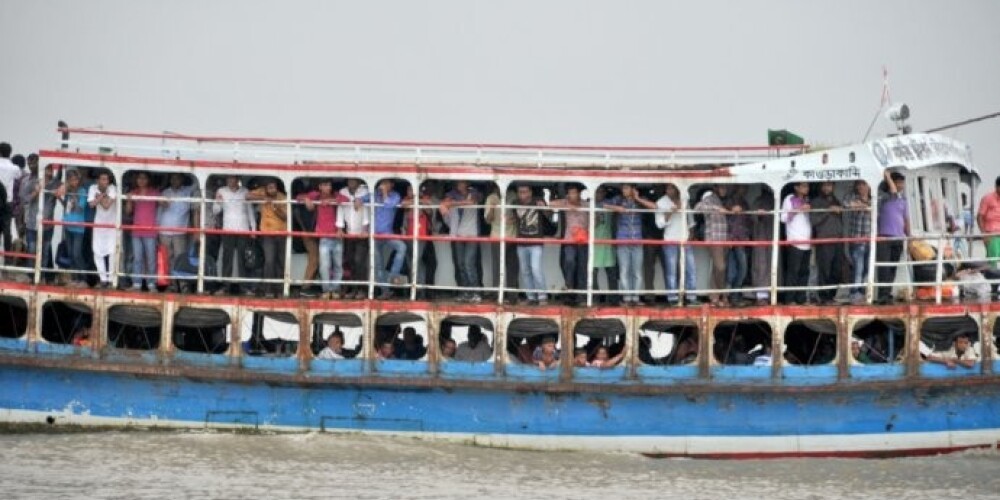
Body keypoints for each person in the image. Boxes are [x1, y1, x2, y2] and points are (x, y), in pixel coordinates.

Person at [603, 183, 657, 305]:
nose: (623, 190)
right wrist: (617, 208)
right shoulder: (618, 199)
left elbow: (654, 207)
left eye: (626, 188)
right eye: (623, 188)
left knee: (637, 272)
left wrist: (638, 198)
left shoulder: (640, 199)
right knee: (624, 271)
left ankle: (636, 298)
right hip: (622, 240)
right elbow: (603, 204)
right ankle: (627, 298)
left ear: (633, 189)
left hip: (637, 240)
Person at [299, 179, 348, 299]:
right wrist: (307, 199)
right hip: (324, 237)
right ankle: (327, 290)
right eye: (325, 185)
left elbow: (345, 200)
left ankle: (335, 290)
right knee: (324, 266)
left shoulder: (336, 195)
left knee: (337, 265)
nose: (328, 187)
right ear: (320, 187)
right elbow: (299, 197)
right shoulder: (316, 196)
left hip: (337, 236)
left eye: (329, 185)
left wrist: (331, 201)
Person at [440, 180, 483, 303]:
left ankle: (476, 292)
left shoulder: (473, 192)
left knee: (469, 264)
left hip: (472, 234)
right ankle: (465, 292)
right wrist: (447, 204)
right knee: (461, 265)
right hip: (458, 234)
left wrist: (452, 204)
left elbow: (473, 200)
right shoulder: (452, 193)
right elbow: (444, 203)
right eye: (458, 182)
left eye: (462, 182)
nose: (460, 184)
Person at [213, 175, 256, 295]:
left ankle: (244, 287)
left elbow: (250, 211)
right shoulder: (221, 191)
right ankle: (225, 287)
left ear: (238, 180)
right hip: (228, 229)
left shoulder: (245, 191)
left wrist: (253, 229)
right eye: (228, 178)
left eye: (233, 178)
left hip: (243, 229)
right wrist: (218, 201)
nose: (230, 180)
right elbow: (215, 211)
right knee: (227, 258)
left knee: (243, 259)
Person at [656, 183, 696, 306]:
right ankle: (672, 298)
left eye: (672, 188)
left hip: (685, 239)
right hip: (670, 240)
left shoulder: (684, 199)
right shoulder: (661, 202)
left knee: (691, 269)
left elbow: (690, 219)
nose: (670, 190)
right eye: (668, 188)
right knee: (671, 271)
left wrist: (691, 234)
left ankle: (692, 297)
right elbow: (659, 224)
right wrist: (670, 212)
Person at [158, 173, 200, 291]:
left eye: (177, 178)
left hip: (179, 232)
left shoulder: (187, 191)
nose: (175, 180)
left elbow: (197, 182)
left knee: (180, 259)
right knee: (168, 259)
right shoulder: (165, 192)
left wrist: (189, 170)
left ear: (182, 179)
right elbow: (160, 211)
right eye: (173, 178)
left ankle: (183, 284)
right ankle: (172, 285)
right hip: (164, 231)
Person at [694, 185, 734, 307]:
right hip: (713, 238)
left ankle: (714, 297)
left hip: (724, 239)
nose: (724, 190)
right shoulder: (710, 198)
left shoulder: (726, 200)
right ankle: (723, 295)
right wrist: (716, 208)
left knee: (718, 269)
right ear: (716, 188)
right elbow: (697, 208)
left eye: (725, 188)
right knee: (720, 267)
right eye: (722, 188)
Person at [549, 184, 589, 306]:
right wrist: (568, 204)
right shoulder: (565, 203)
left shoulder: (585, 204)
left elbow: (594, 216)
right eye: (570, 193)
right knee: (569, 261)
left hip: (583, 239)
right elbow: (551, 204)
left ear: (579, 194)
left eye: (574, 192)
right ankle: (569, 286)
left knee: (582, 268)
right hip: (569, 239)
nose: (572, 195)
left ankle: (581, 296)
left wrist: (577, 208)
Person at [247, 179, 288, 297]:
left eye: (274, 187)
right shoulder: (262, 192)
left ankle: (280, 290)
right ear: (266, 188)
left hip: (281, 233)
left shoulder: (282, 197)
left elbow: (285, 217)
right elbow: (247, 196)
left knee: (281, 262)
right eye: (269, 188)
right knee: (269, 261)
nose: (272, 190)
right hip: (267, 234)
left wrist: (275, 207)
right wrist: (262, 199)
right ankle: (268, 290)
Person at [512, 185, 551, 305]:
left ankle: (542, 296)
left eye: (525, 191)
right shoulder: (515, 203)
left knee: (535, 269)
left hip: (536, 242)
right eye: (520, 192)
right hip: (521, 242)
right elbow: (515, 219)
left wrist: (544, 208)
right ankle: (531, 297)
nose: (523, 194)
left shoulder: (538, 201)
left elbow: (549, 216)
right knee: (525, 271)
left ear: (530, 192)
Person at [876, 171, 910, 304]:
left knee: (892, 267)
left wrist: (909, 235)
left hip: (898, 237)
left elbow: (906, 219)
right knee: (884, 267)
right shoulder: (885, 197)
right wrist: (888, 177)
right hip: (884, 236)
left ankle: (887, 292)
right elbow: (893, 192)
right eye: (899, 183)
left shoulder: (904, 200)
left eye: (902, 182)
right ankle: (882, 294)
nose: (901, 185)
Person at [368, 179, 406, 299]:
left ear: (392, 185)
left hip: (387, 233)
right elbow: (361, 199)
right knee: (378, 265)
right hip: (374, 234)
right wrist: (358, 200)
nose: (383, 186)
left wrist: (384, 193)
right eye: (382, 183)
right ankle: (385, 291)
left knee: (402, 247)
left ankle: (392, 275)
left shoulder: (395, 195)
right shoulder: (374, 195)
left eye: (386, 183)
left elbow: (388, 204)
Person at [124, 172, 160, 291]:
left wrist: (164, 199)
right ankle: (137, 284)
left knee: (151, 259)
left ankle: (151, 284)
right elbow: (128, 211)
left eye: (144, 178)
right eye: (139, 178)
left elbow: (165, 204)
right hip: (137, 230)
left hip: (150, 230)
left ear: (148, 180)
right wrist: (129, 200)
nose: (141, 180)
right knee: (137, 258)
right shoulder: (134, 192)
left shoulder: (154, 192)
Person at [809, 181, 844, 304]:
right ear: (820, 186)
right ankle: (823, 297)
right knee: (824, 269)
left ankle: (831, 295)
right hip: (824, 239)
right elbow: (814, 221)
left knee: (837, 269)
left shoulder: (837, 200)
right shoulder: (815, 202)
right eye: (824, 185)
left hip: (839, 239)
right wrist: (828, 210)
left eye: (829, 185)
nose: (827, 188)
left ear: (834, 186)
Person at [402, 184, 436, 299]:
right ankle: (414, 287)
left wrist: (419, 200)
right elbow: (404, 205)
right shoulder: (407, 200)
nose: (409, 191)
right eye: (409, 189)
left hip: (421, 236)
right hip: (408, 236)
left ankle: (419, 289)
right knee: (409, 262)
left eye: (411, 189)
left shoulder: (424, 199)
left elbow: (429, 209)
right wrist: (415, 200)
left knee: (417, 262)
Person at [485, 186, 519, 303]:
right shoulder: (491, 198)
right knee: (496, 267)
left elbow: (519, 215)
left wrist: (513, 220)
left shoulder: (513, 196)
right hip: (496, 236)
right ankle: (496, 294)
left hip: (512, 236)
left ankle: (512, 296)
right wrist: (493, 208)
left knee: (512, 267)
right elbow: (488, 220)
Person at [780, 182, 812, 305]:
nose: (806, 188)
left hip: (807, 241)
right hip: (794, 240)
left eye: (807, 186)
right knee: (793, 271)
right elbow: (782, 218)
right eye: (804, 186)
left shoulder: (807, 200)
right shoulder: (789, 198)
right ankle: (790, 299)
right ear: (796, 187)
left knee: (804, 271)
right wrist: (798, 209)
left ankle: (801, 298)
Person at [842, 180, 872, 303]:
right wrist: (861, 205)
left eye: (864, 184)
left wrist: (864, 205)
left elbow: (875, 209)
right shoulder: (852, 196)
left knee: (866, 268)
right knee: (858, 267)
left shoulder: (874, 197)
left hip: (870, 239)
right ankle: (855, 293)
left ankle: (860, 290)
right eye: (859, 184)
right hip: (857, 238)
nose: (861, 187)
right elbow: (846, 203)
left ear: (869, 186)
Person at [87, 172, 118, 288]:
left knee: (112, 252)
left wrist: (99, 197)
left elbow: (106, 205)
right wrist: (102, 197)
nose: (105, 182)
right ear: (98, 180)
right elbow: (91, 205)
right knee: (97, 251)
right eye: (102, 179)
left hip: (111, 225)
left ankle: (111, 279)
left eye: (106, 179)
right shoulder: (92, 188)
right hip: (99, 224)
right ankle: (103, 279)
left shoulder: (113, 188)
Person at [591, 186, 619, 304]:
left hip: (608, 241)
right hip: (594, 242)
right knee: (592, 272)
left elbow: (619, 200)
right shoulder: (590, 205)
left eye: (602, 191)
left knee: (611, 271)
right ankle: (595, 297)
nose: (599, 194)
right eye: (597, 192)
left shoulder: (609, 203)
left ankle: (613, 299)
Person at [725, 185, 752, 304]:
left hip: (743, 240)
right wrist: (730, 238)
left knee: (738, 269)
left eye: (746, 188)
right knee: (739, 269)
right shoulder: (730, 202)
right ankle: (734, 296)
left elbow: (747, 221)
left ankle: (735, 294)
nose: (745, 190)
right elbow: (728, 221)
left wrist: (748, 236)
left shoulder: (745, 203)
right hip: (734, 240)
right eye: (743, 187)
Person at [749, 187, 774, 305]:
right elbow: (753, 217)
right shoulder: (758, 201)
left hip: (771, 236)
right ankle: (761, 295)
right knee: (761, 265)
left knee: (770, 265)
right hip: (761, 236)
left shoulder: (775, 200)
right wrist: (759, 214)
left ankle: (770, 293)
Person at [37, 164, 61, 283]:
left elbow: (60, 176)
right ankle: (37, 276)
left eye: (51, 170)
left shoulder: (55, 183)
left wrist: (62, 163)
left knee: (46, 250)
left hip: (48, 224)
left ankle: (43, 276)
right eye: (47, 169)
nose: (49, 172)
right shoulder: (37, 182)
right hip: (35, 223)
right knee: (35, 249)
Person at [0, 142, 19, 257]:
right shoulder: (14, 168)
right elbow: (18, 176)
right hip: (8, 201)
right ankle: (7, 256)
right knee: (7, 229)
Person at [977, 176, 1000, 268]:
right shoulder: (988, 198)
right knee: (992, 259)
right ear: (996, 186)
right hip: (991, 235)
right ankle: (993, 281)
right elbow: (979, 217)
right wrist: (984, 235)